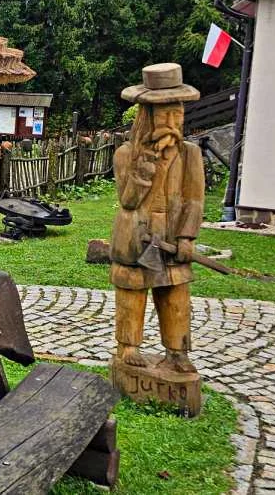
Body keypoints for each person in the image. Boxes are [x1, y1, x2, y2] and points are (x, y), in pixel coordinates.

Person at [110, 63, 203, 373]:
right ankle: (128, 346)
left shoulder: (190, 154)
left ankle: (177, 351)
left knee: (175, 296)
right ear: (147, 118)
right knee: (132, 294)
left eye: (178, 115)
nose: (173, 122)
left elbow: (194, 200)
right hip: (137, 238)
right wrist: (147, 162)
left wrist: (187, 236)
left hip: (172, 240)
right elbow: (128, 200)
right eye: (165, 115)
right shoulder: (127, 154)